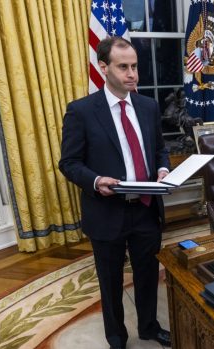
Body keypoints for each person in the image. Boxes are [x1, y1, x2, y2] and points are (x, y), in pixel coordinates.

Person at [59, 37, 171, 349]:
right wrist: (95, 181)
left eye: (134, 66)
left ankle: (149, 327)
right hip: (106, 211)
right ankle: (116, 338)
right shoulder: (81, 111)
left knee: (148, 274)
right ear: (104, 67)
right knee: (110, 282)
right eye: (124, 67)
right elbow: (68, 163)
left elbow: (159, 150)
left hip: (146, 208)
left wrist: (162, 169)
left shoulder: (148, 107)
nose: (132, 73)